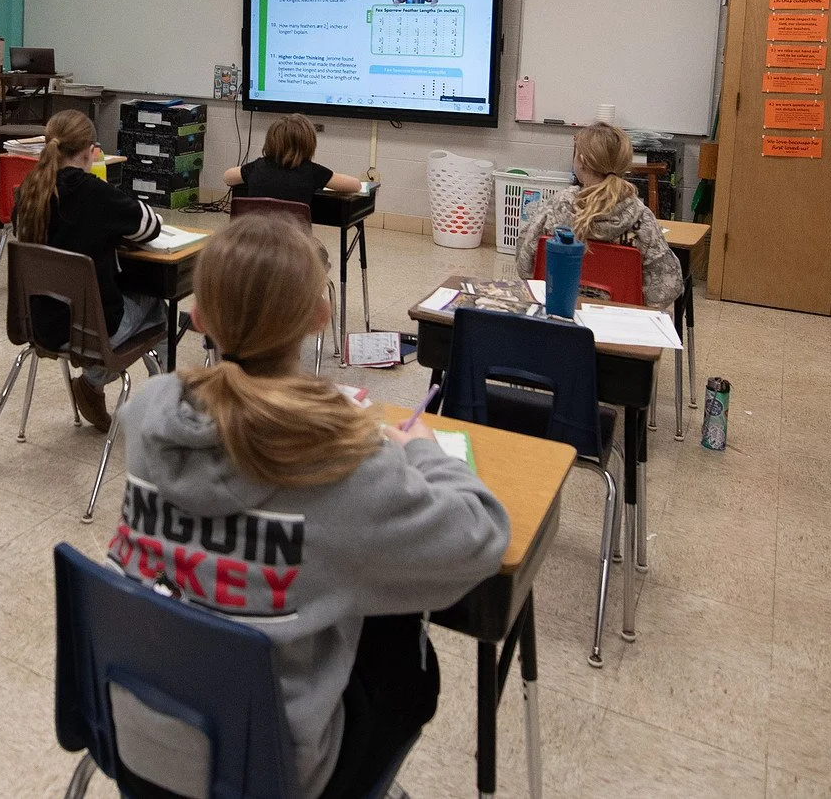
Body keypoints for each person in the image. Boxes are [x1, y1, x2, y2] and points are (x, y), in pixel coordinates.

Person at [108, 215, 508, 799]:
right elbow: (481, 536)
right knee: (405, 647)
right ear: (320, 318)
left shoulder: (148, 411)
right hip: (268, 774)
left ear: (198, 316)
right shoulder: (343, 457)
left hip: (137, 738)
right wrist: (425, 456)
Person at [13, 110, 160, 431]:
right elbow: (151, 226)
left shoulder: (28, 191)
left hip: (42, 325)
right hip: (93, 332)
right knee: (159, 305)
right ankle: (112, 388)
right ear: (91, 151)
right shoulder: (96, 193)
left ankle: (96, 386)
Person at [511, 122, 683, 310]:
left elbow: (525, 265)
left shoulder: (557, 206)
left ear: (582, 159)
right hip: (620, 325)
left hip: (560, 316)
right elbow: (667, 287)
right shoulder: (641, 217)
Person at [223, 114, 362, 212]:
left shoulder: (256, 167)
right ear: (309, 144)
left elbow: (228, 177)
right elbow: (355, 185)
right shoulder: (314, 172)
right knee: (320, 250)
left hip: (256, 245)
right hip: (294, 248)